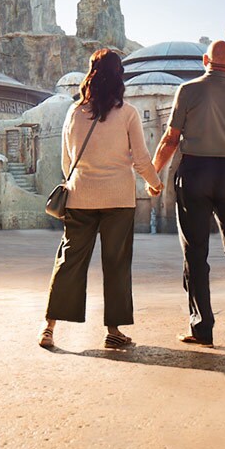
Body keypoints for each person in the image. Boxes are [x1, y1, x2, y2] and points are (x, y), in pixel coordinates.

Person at [41, 49, 165, 350]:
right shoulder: (128, 113)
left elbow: (66, 161)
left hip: (79, 196)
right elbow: (140, 158)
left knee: (69, 261)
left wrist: (83, 178)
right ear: (119, 76)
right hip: (118, 200)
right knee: (117, 264)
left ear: (91, 75)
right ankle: (113, 330)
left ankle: (49, 328)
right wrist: (155, 184)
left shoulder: (74, 112)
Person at [151, 40, 225, 347]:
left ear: (205, 60)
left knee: (195, 255)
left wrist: (152, 174)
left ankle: (202, 329)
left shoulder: (187, 91)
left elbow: (170, 140)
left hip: (195, 174)